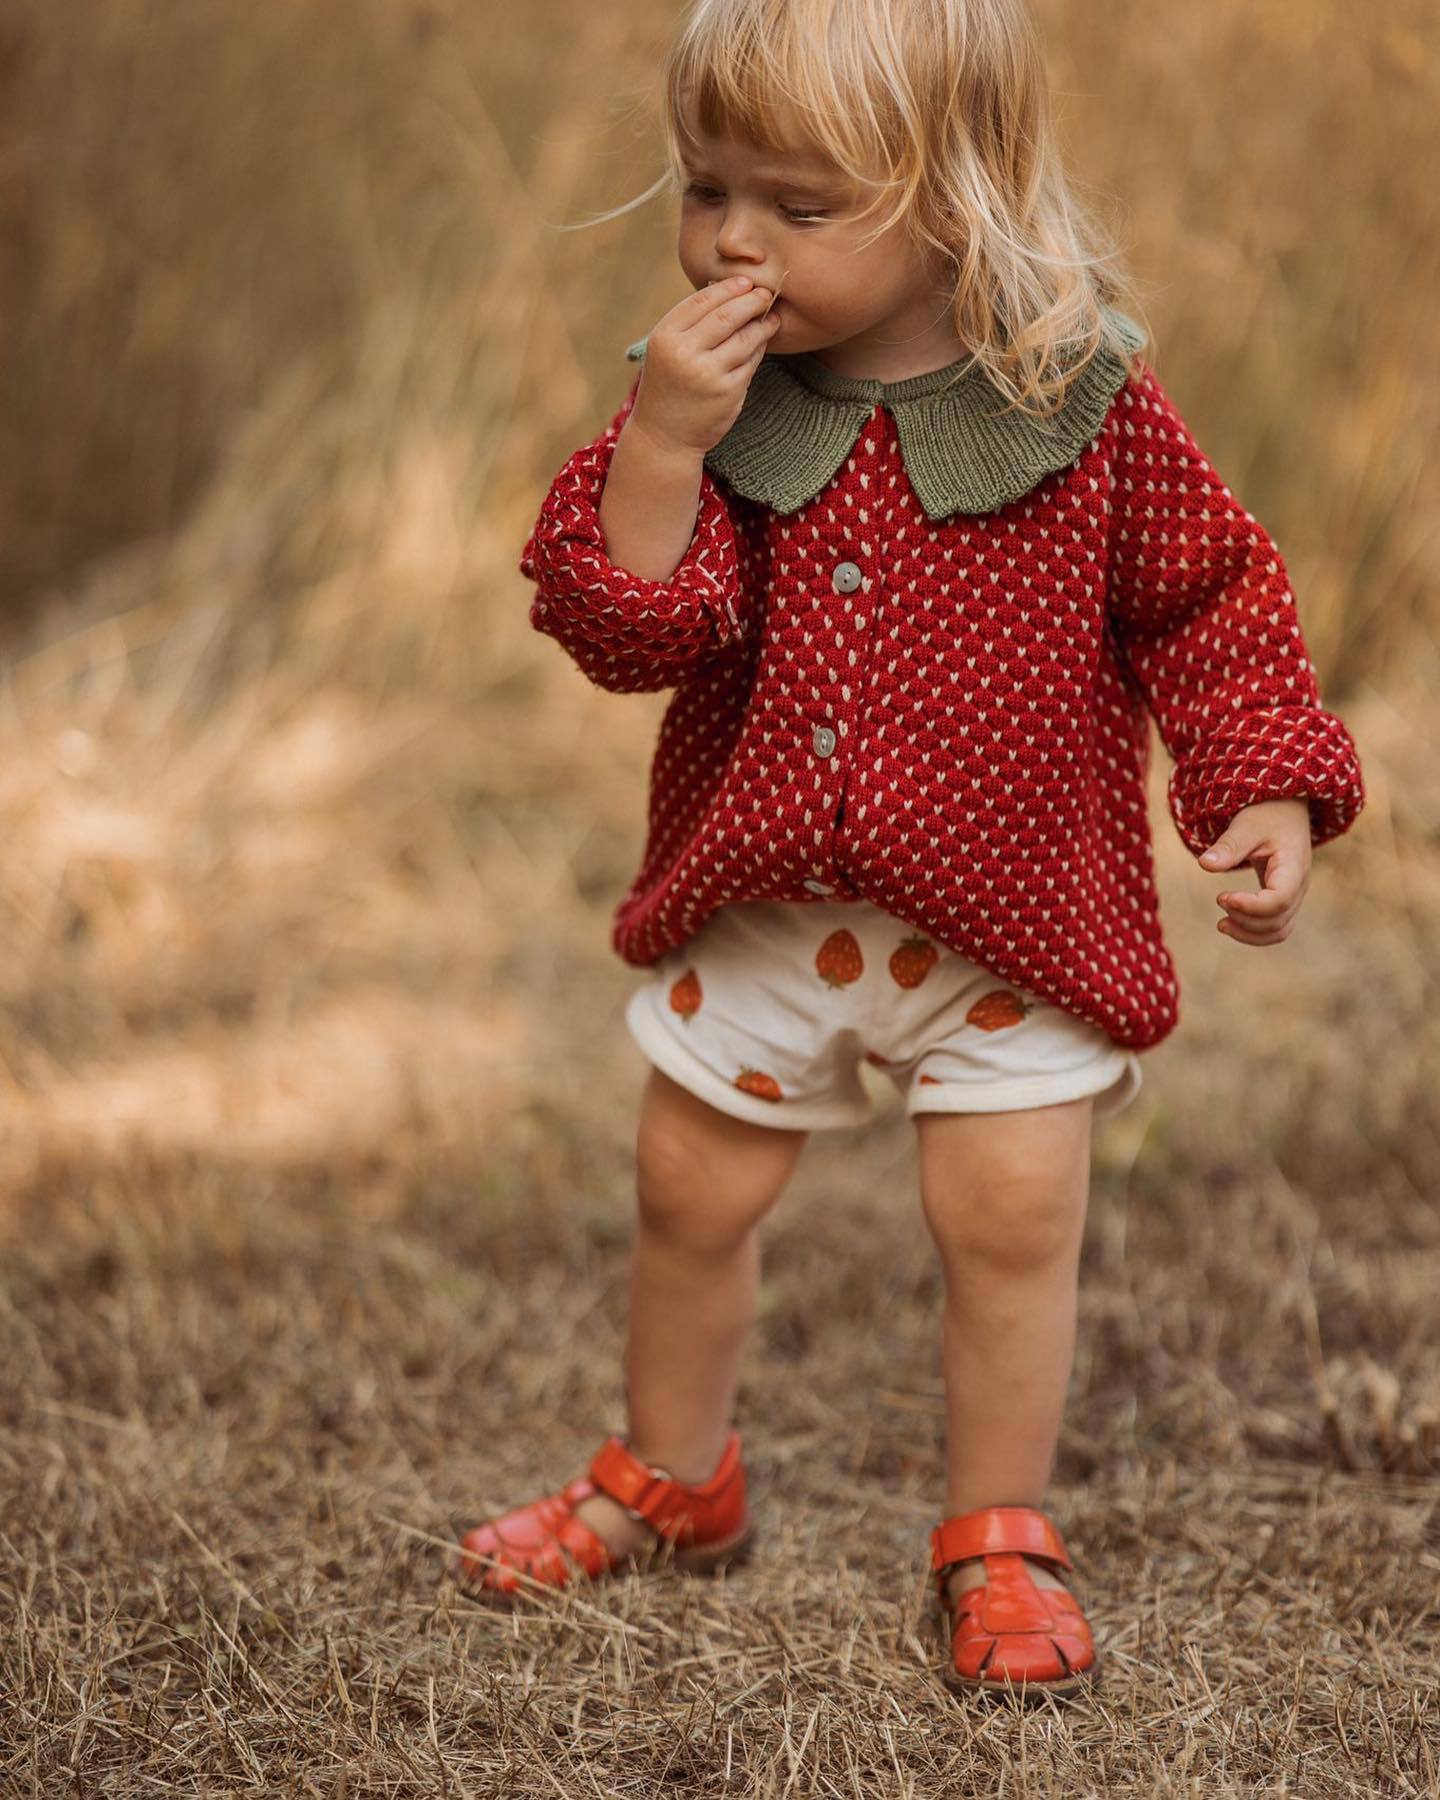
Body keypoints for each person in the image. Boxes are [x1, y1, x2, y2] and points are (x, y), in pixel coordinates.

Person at [457, 0, 1367, 1703]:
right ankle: (675, 1473)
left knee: (1012, 1215)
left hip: (1011, 924)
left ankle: (998, 1531)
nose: (734, 237)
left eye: (800, 207)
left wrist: (1263, 777)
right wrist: (660, 443)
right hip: (765, 897)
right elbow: (625, 631)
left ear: (957, 199)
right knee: (688, 1184)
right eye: (708, 186)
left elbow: (1213, 605)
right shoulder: (715, 409)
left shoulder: (1081, 408)